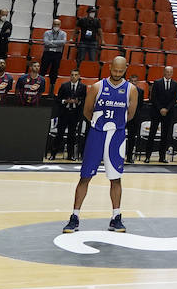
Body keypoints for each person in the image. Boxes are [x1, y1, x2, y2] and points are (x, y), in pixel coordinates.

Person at [63, 55, 137, 234]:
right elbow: (87, 111)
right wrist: (99, 125)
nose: (117, 74)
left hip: (117, 137)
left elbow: (131, 115)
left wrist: (115, 127)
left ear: (125, 69)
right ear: (109, 67)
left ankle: (116, 217)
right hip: (97, 134)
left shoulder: (131, 90)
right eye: (115, 70)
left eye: (121, 71)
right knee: (85, 177)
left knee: (116, 178)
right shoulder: (97, 87)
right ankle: (74, 217)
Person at [147, 65, 177, 163]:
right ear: (164, 72)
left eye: (170, 72)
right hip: (156, 112)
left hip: (168, 113)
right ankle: (148, 156)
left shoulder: (175, 84)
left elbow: (174, 99)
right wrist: (161, 108)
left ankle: (162, 157)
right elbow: (153, 97)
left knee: (165, 136)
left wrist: (167, 109)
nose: (169, 74)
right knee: (152, 134)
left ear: (172, 73)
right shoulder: (157, 82)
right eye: (167, 72)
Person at [54, 70, 86, 159]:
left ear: (79, 76)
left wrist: (78, 101)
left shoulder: (83, 87)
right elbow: (58, 99)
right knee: (59, 134)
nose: (73, 77)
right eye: (72, 75)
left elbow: (84, 100)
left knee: (71, 135)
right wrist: (65, 101)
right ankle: (53, 154)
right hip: (64, 113)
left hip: (75, 114)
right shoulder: (64, 85)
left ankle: (70, 155)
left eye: (76, 75)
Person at [125, 74, 149, 163]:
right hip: (123, 116)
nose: (133, 83)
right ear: (129, 81)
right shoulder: (123, 90)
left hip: (134, 117)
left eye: (135, 81)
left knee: (132, 138)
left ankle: (129, 157)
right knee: (118, 137)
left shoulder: (140, 91)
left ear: (137, 82)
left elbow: (140, 106)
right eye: (132, 81)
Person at [40, 18, 67, 89]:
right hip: (47, 53)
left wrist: (51, 42)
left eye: (58, 24)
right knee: (43, 69)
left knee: (54, 71)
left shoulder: (63, 33)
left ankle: (51, 87)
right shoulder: (47, 33)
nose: (56, 26)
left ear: (60, 25)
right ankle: (40, 85)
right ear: (52, 24)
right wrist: (58, 43)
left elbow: (63, 42)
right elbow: (46, 43)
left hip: (57, 54)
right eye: (55, 24)